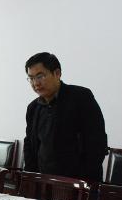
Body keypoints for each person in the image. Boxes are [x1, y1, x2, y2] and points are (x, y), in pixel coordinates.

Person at [23, 52, 107, 182]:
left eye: (40, 76)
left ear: (57, 73)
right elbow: (30, 145)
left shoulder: (81, 98)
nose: (36, 83)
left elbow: (97, 143)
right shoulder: (33, 108)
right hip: (44, 183)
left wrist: (82, 183)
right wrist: (30, 179)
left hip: (78, 183)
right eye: (31, 78)